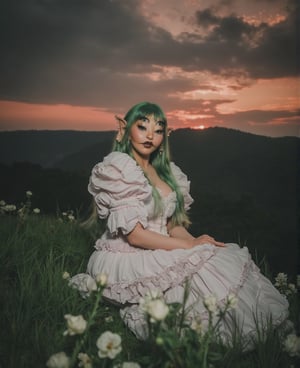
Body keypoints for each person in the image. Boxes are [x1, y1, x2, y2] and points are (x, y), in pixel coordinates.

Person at [70, 102, 289, 347]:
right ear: (125, 129)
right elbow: (135, 237)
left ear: (165, 135)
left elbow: (173, 226)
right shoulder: (120, 170)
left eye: (158, 129)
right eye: (142, 127)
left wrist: (195, 243)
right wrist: (187, 248)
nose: (150, 135)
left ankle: (259, 332)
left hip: (161, 244)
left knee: (217, 256)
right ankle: (210, 342)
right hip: (129, 254)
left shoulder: (167, 173)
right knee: (193, 274)